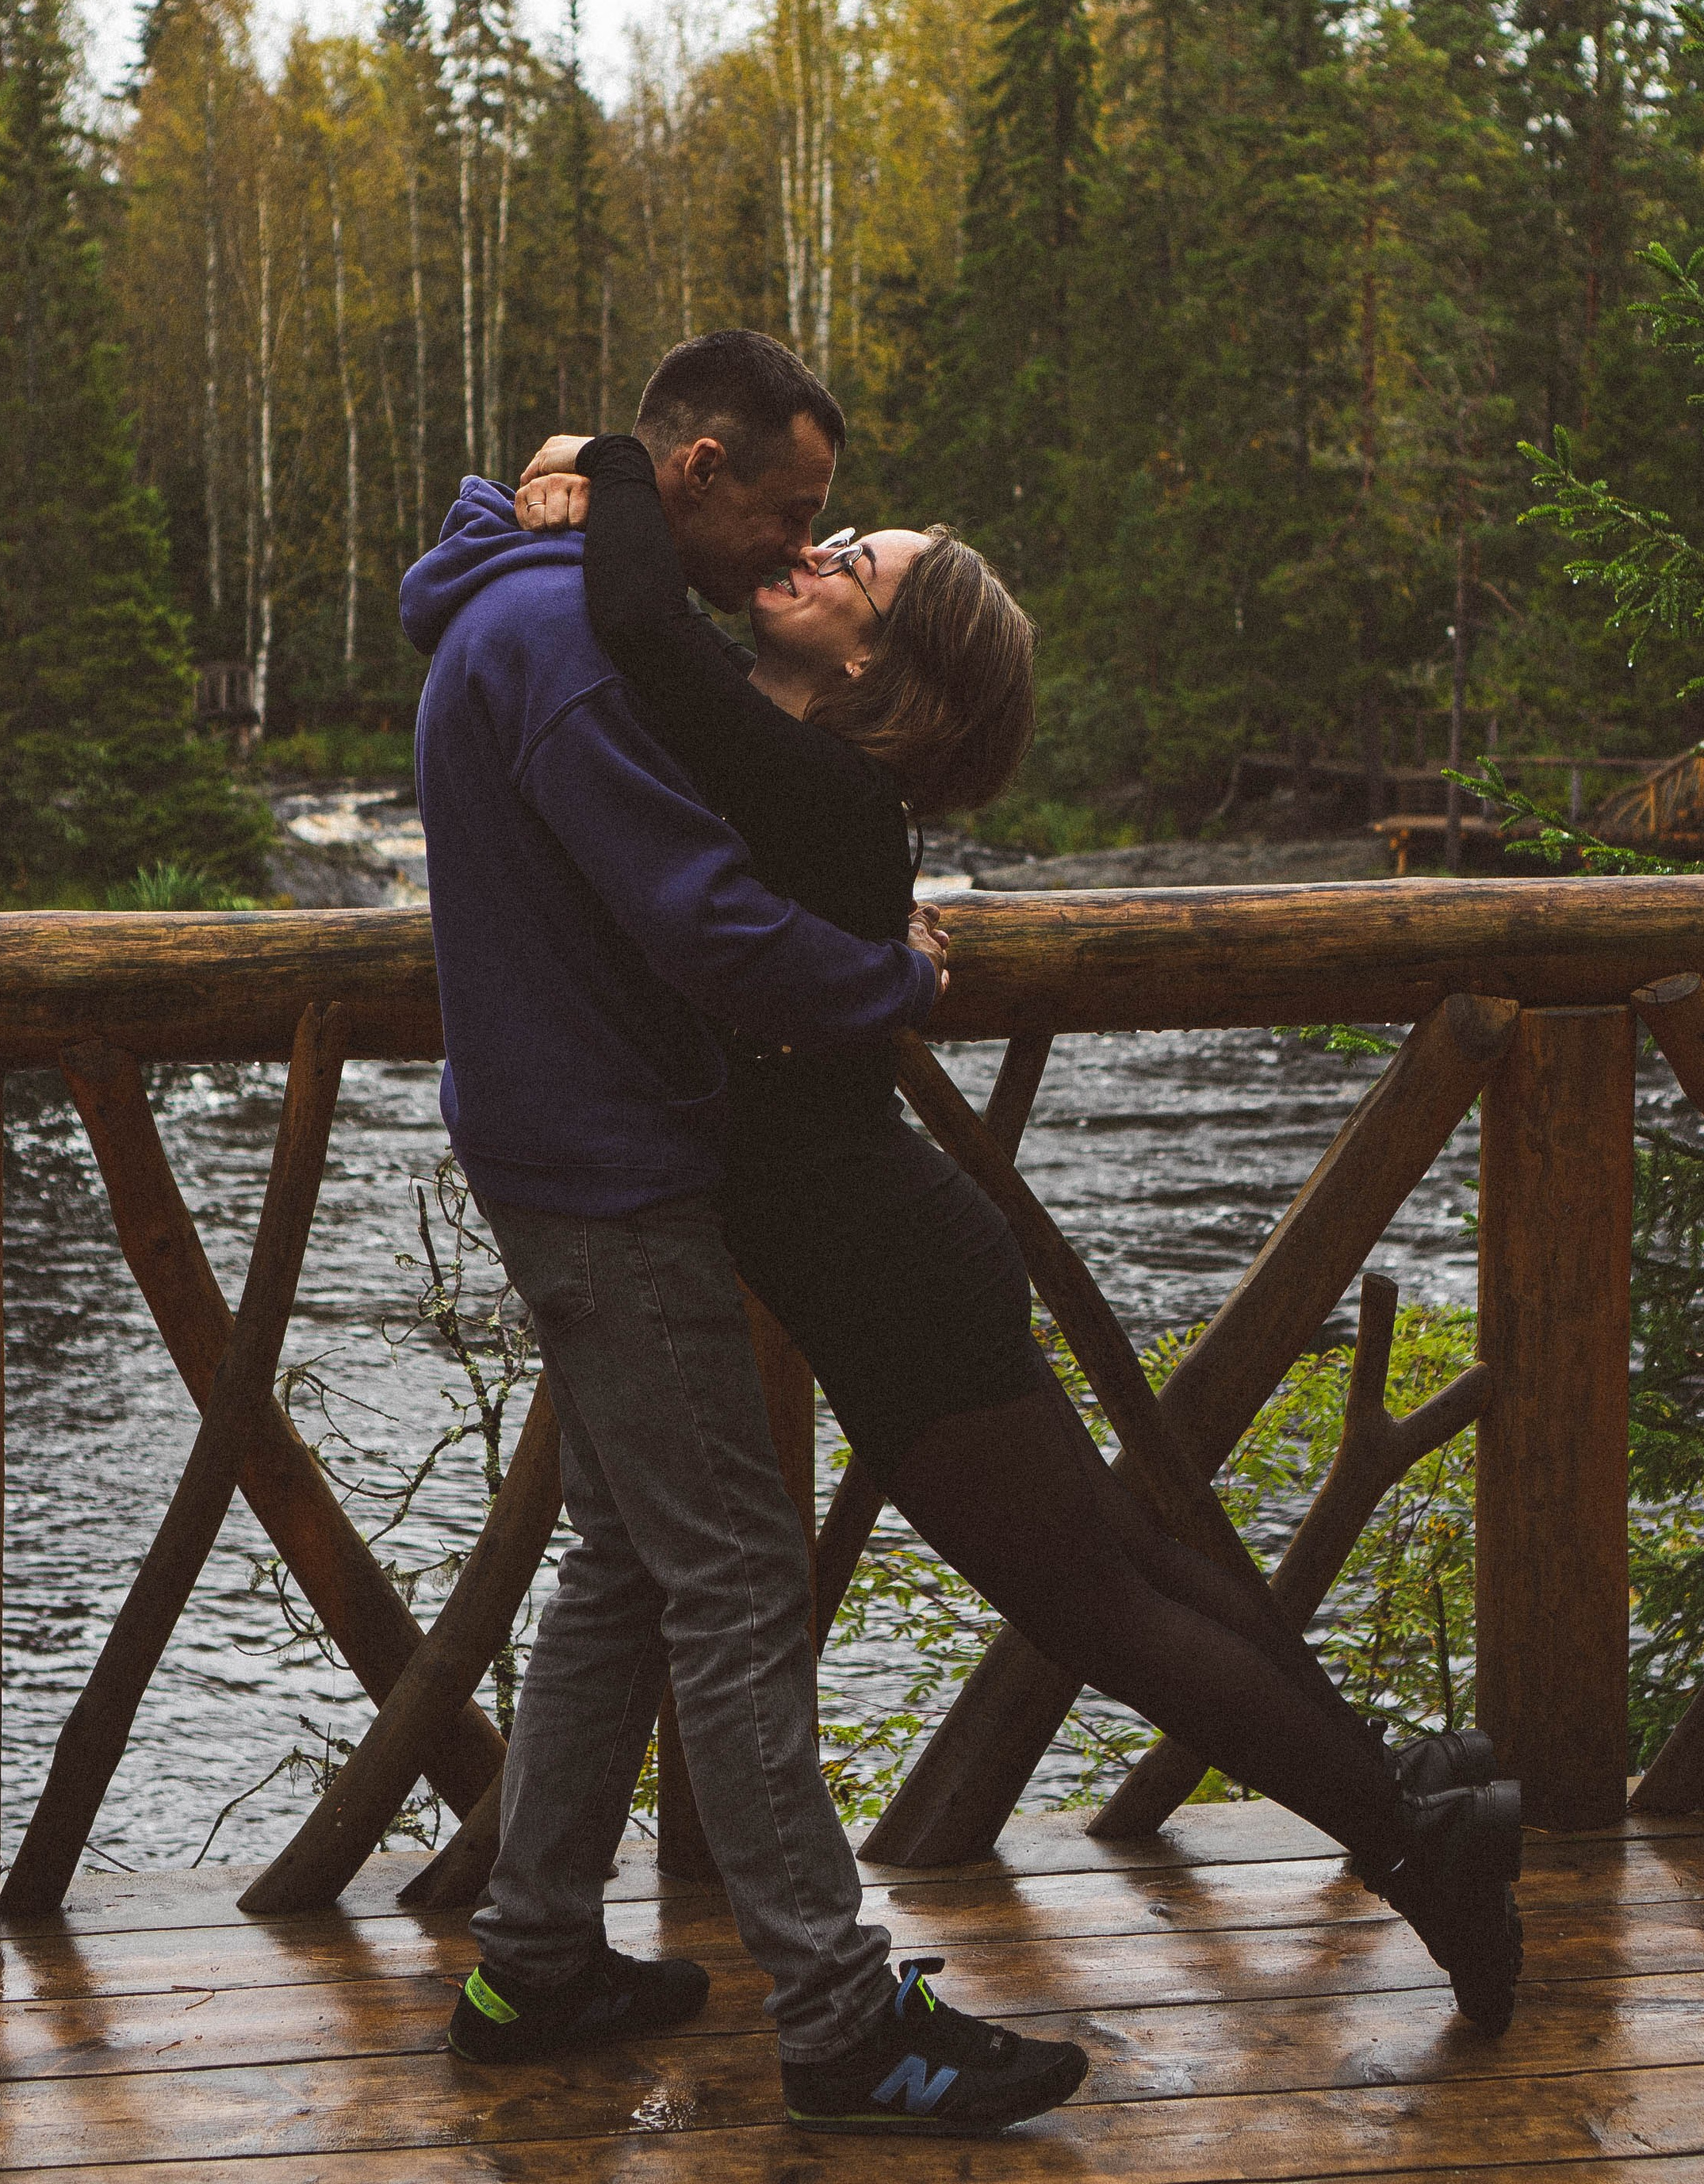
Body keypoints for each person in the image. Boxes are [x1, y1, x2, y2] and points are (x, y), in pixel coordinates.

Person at [511, 412, 1526, 2037]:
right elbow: (654, 659)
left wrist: (613, 458)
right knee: (1129, 1571)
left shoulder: (812, 786)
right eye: (834, 538)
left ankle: (1415, 1843)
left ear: (878, 669)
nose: (809, 557)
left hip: (887, 1276)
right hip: (894, 1254)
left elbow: (637, 619)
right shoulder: (804, 780)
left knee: (1104, 1607)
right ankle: (1416, 1802)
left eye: (852, 563)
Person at [398, 327, 1089, 2136]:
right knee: (735, 1580)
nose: (795, 550)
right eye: (789, 510)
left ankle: (533, 1954)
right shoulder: (565, 645)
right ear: (690, 475)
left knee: (629, 1564)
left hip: (568, 1141)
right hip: (607, 1166)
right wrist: (889, 974)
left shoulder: (535, 596)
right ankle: (841, 2020)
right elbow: (706, 923)